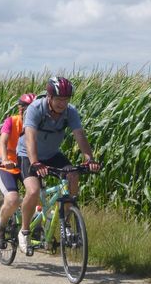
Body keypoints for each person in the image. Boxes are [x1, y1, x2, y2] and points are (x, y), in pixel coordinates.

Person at [15, 76, 101, 256]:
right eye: (59, 99)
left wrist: (89, 159)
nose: (63, 103)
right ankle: (24, 231)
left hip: (52, 154)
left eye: (66, 99)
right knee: (33, 191)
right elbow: (30, 137)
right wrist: (35, 162)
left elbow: (80, 135)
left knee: (73, 174)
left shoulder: (70, 112)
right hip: (28, 154)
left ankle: (67, 223)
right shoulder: (35, 109)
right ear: (49, 97)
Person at [0, 92, 37, 246]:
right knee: (12, 199)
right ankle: (1, 226)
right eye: (26, 109)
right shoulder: (12, 121)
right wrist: (5, 160)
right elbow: (3, 142)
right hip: (8, 167)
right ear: (20, 109)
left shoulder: (38, 126)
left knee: (37, 197)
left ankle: (32, 229)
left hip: (26, 165)